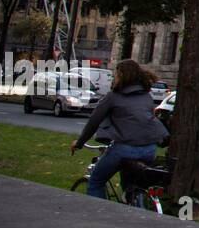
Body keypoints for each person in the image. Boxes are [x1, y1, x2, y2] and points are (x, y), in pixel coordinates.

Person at [70, 59, 168, 199]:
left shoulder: (113, 97)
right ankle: (132, 199)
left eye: (115, 75)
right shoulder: (146, 96)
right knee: (131, 182)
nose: (113, 78)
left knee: (96, 182)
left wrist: (79, 143)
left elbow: (94, 122)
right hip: (149, 150)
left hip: (124, 149)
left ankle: (101, 214)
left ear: (121, 75)